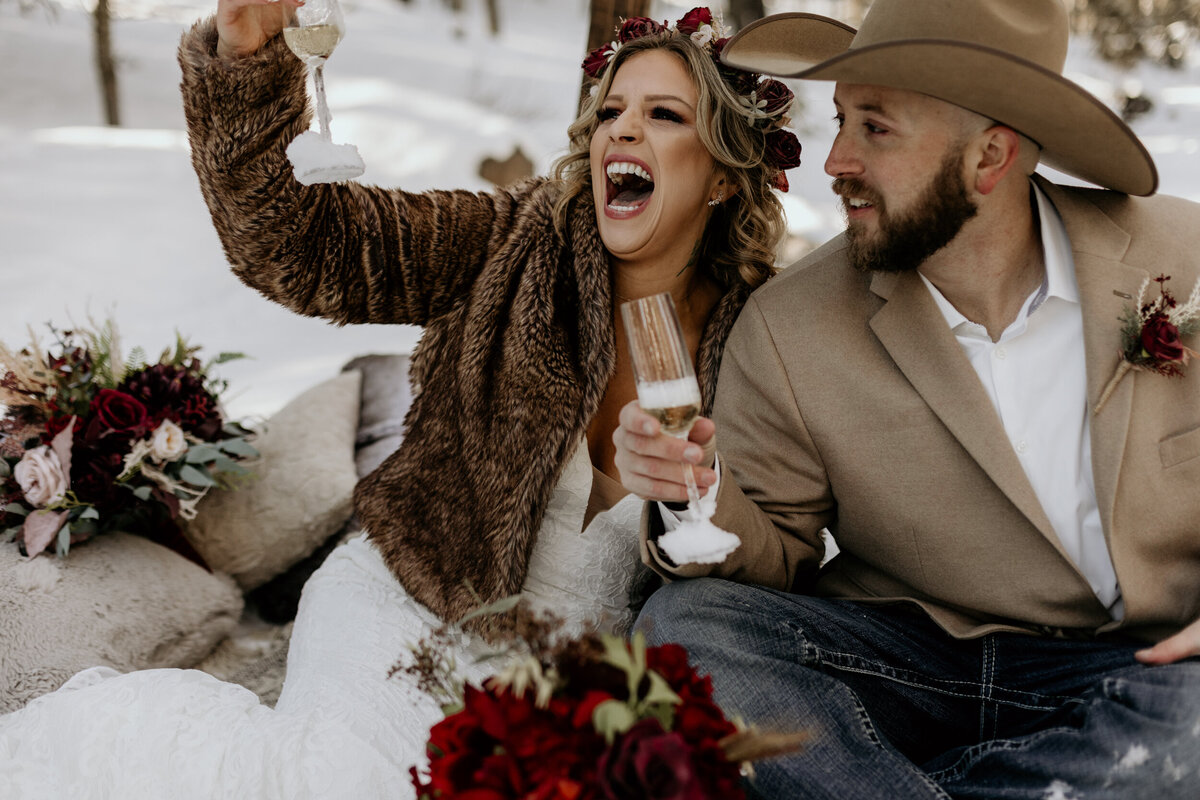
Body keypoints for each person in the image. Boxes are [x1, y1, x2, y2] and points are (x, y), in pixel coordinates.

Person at [0, 4, 850, 798]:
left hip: (569, 674)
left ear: (723, 180)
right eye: (613, 111)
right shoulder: (513, 244)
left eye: (665, 116)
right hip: (403, 602)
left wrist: (702, 492)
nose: (623, 127)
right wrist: (249, 58)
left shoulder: (763, 343)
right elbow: (300, 246)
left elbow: (787, 552)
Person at [613, 1, 1200, 798]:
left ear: (988, 157)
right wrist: (697, 494)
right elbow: (773, 559)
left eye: (876, 129)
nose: (837, 161)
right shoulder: (793, 323)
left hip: (1136, 671)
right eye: (841, 120)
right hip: (906, 666)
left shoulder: (1181, 261)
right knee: (680, 638)